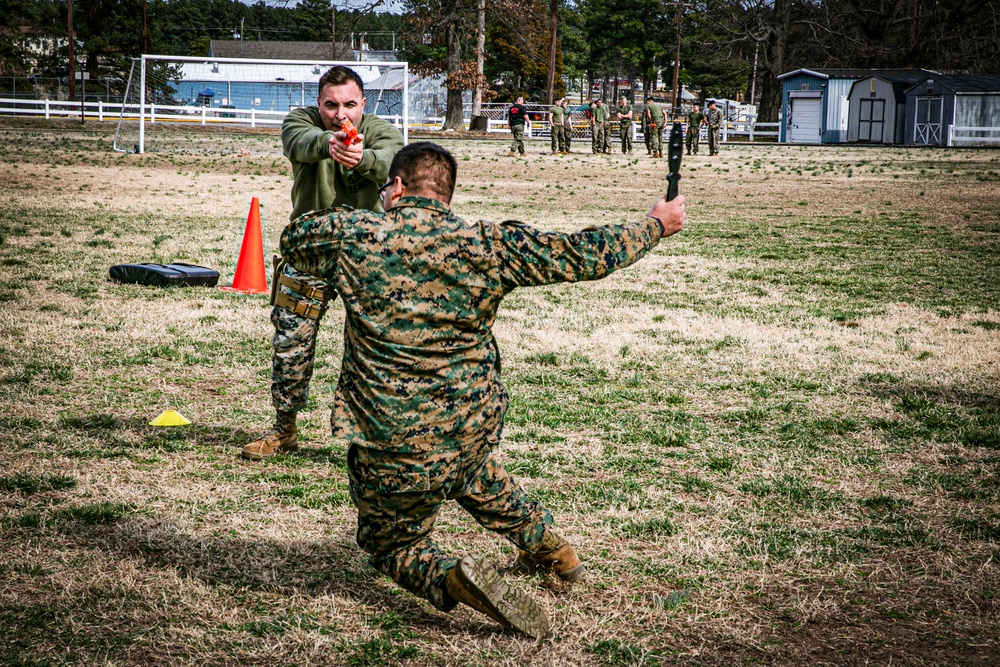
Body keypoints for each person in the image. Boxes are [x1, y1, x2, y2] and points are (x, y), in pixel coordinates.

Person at [278, 142, 686, 637]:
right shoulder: (488, 244)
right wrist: (655, 223)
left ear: (398, 186)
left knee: (391, 544)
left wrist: (362, 208)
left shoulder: (351, 235)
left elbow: (294, 237)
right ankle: (556, 551)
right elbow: (586, 254)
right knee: (477, 479)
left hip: (392, 436)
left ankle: (455, 579)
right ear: (446, 196)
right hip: (470, 421)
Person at [241, 65, 404, 461]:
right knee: (290, 339)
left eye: (350, 104)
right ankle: (284, 429)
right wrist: (330, 143)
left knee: (375, 347)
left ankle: (371, 437)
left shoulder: (382, 130)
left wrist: (361, 157)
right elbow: (299, 141)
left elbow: (395, 163)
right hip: (309, 248)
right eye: (331, 105)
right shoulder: (302, 121)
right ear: (319, 104)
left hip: (367, 253)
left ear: (364, 103)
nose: (341, 114)